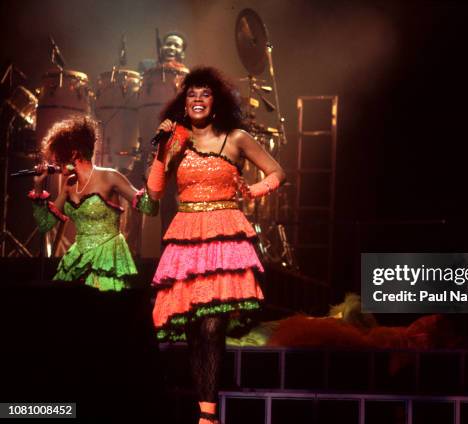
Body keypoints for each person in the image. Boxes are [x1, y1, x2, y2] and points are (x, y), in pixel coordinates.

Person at [147, 67, 285, 424]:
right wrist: (163, 150)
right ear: (183, 101)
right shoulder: (175, 141)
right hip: (187, 238)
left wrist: (252, 191)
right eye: (191, 94)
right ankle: (204, 408)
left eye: (204, 93)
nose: (197, 99)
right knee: (194, 329)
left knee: (211, 325)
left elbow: (277, 172)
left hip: (224, 237)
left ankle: (207, 417)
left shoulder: (236, 138)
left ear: (216, 101)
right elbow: (154, 193)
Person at [30, 116, 158, 290]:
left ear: (74, 153)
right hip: (79, 257)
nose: (56, 163)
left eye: (59, 156)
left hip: (107, 258)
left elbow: (149, 208)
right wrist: (38, 187)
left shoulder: (109, 177)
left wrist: (152, 178)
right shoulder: (69, 185)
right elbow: (45, 224)